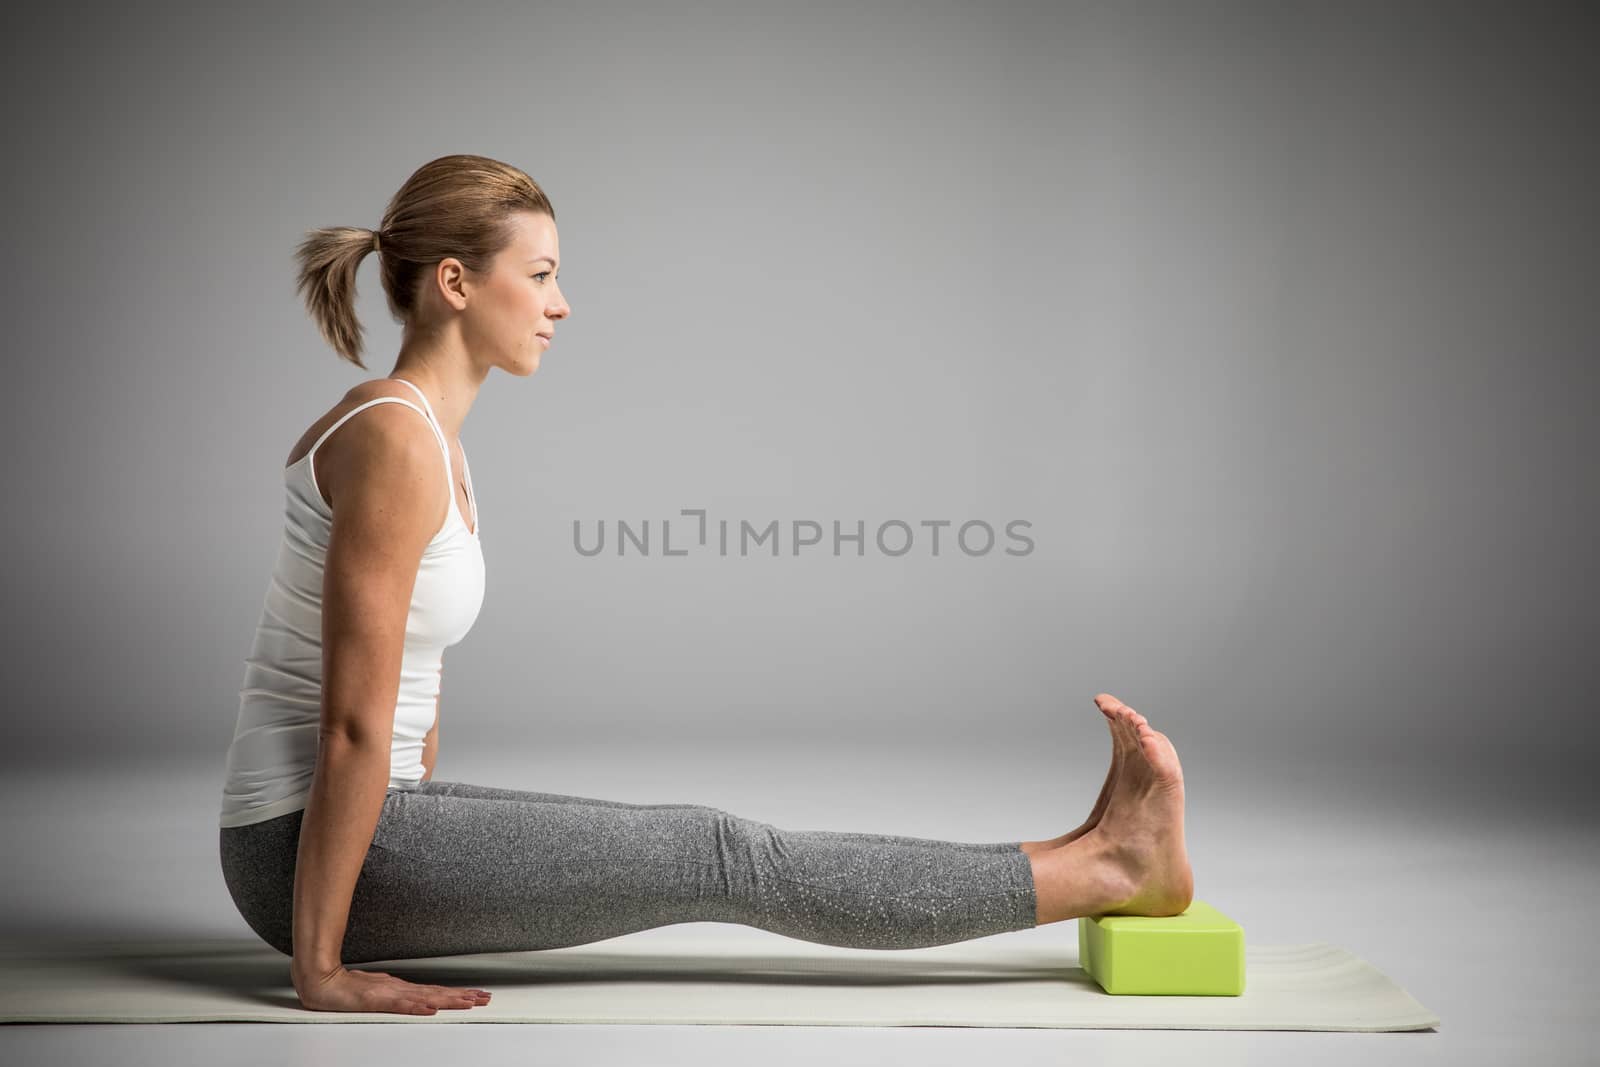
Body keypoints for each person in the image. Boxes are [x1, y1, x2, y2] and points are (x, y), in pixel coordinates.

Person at [217, 154, 1195, 1017]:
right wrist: (323, 966)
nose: (562, 304)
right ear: (457, 282)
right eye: (543, 275)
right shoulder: (395, 436)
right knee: (714, 851)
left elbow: (409, 682)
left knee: (706, 842)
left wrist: (453, 837)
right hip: (305, 847)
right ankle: (1106, 868)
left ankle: (1092, 844)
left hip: (363, 826)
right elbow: (352, 724)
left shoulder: (425, 434)